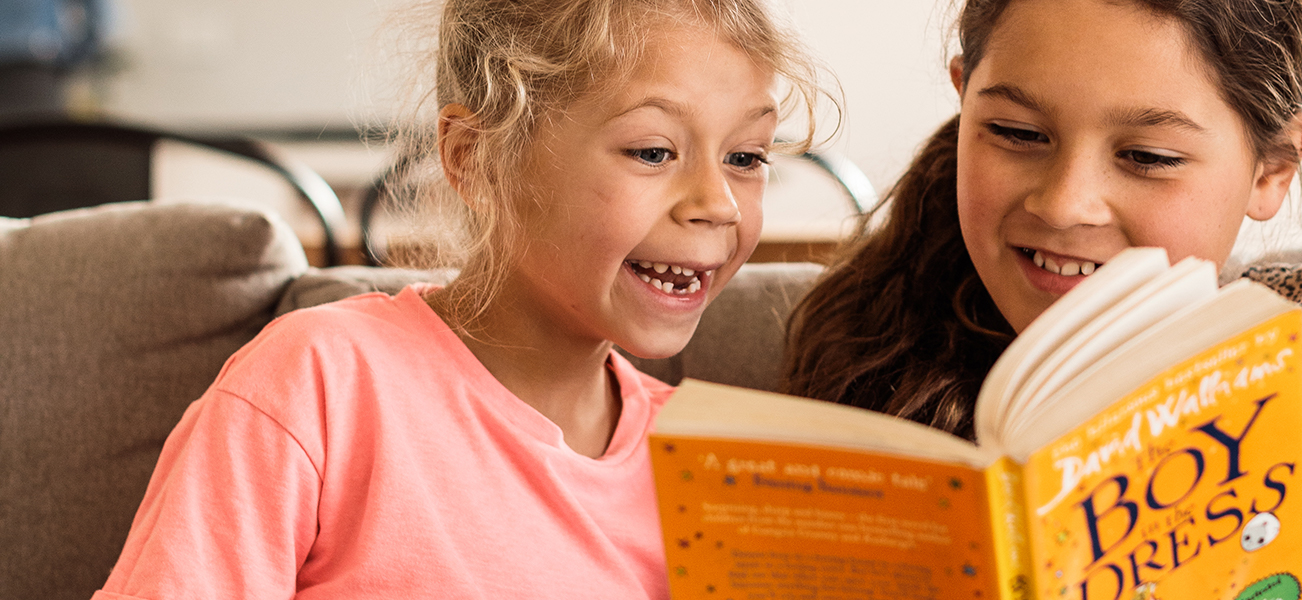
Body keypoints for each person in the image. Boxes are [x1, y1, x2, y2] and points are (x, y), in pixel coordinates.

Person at [782, 0, 1302, 598]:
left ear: (1272, 168)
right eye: (1018, 134)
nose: (1065, 204)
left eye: (1148, 156)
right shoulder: (871, 358)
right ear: (965, 102)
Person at [92, 0, 829, 597]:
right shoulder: (319, 381)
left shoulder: (714, 473)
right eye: (652, 151)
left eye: (746, 158)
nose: (719, 203)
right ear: (476, 159)